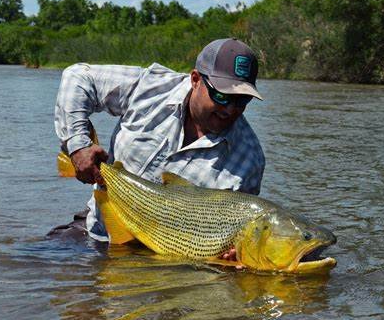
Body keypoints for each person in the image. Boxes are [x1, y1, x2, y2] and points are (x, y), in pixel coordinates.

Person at [52, 38, 265, 259]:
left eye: (242, 100)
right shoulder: (150, 87)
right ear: (195, 80)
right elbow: (77, 76)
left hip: (161, 263)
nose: (230, 109)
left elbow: (234, 241)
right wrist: (78, 146)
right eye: (221, 96)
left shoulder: (250, 161)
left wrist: (236, 259)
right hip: (98, 232)